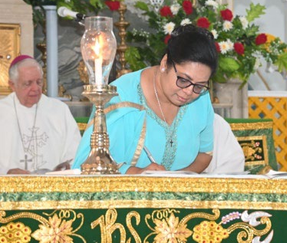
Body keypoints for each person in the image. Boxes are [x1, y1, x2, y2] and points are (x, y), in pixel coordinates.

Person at [73, 25, 219, 174]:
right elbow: (85, 165)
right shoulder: (120, 96)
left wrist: (175, 182)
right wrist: (138, 174)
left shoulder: (200, 97)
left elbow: (204, 154)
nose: (189, 91)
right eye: (183, 80)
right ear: (164, 63)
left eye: (199, 86)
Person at [0, 55, 81, 175]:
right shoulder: (2, 110)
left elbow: (75, 152)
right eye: (28, 83)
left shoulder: (59, 110)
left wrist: (64, 170)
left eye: (39, 82)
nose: (36, 88)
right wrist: (6, 172)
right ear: (12, 85)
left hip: (54, 189)